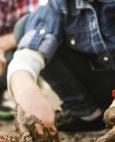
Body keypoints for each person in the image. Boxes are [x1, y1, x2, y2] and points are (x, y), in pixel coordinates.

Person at [7, 0, 115, 132]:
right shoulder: (60, 4)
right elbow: (30, 52)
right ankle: (89, 115)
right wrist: (25, 87)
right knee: (24, 26)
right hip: (101, 87)